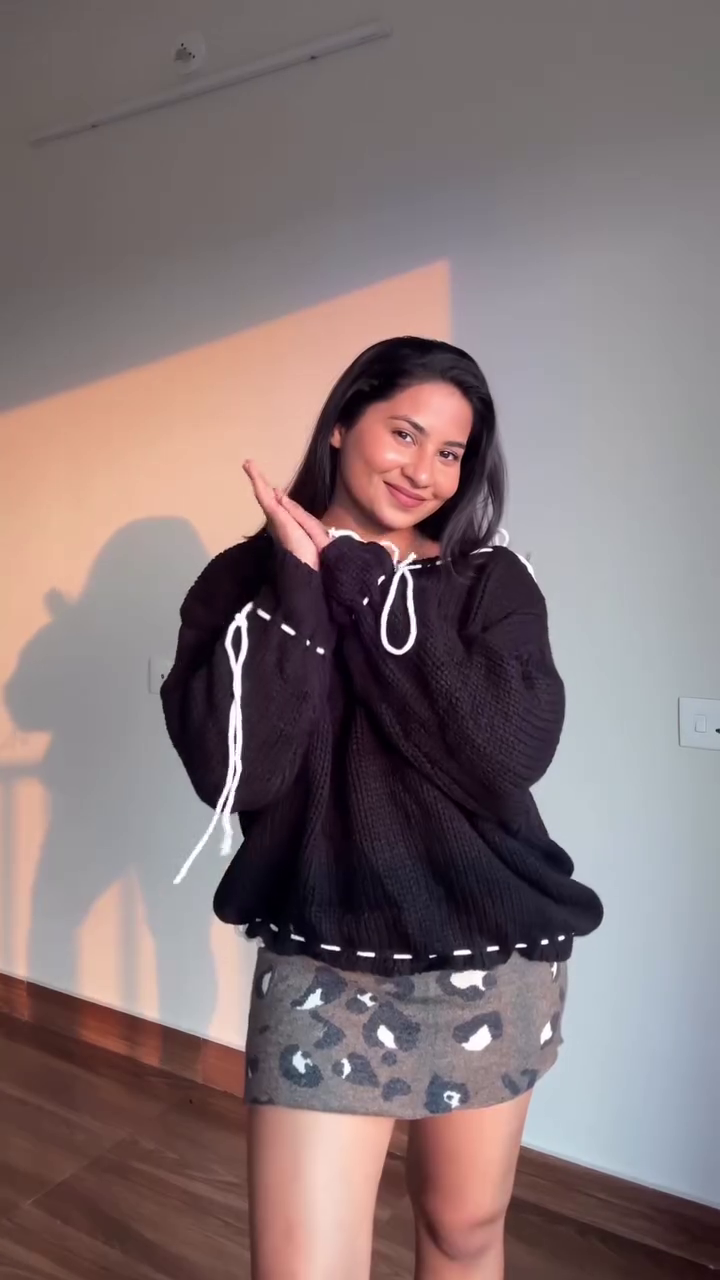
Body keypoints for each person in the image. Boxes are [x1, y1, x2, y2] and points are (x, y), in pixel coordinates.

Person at [161, 336, 603, 1280]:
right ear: (341, 423)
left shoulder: (490, 583)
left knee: (463, 1232)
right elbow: (239, 773)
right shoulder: (243, 584)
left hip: (493, 949)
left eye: (450, 452)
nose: (424, 470)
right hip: (325, 955)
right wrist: (302, 582)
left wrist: (357, 580)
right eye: (404, 433)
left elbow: (507, 759)